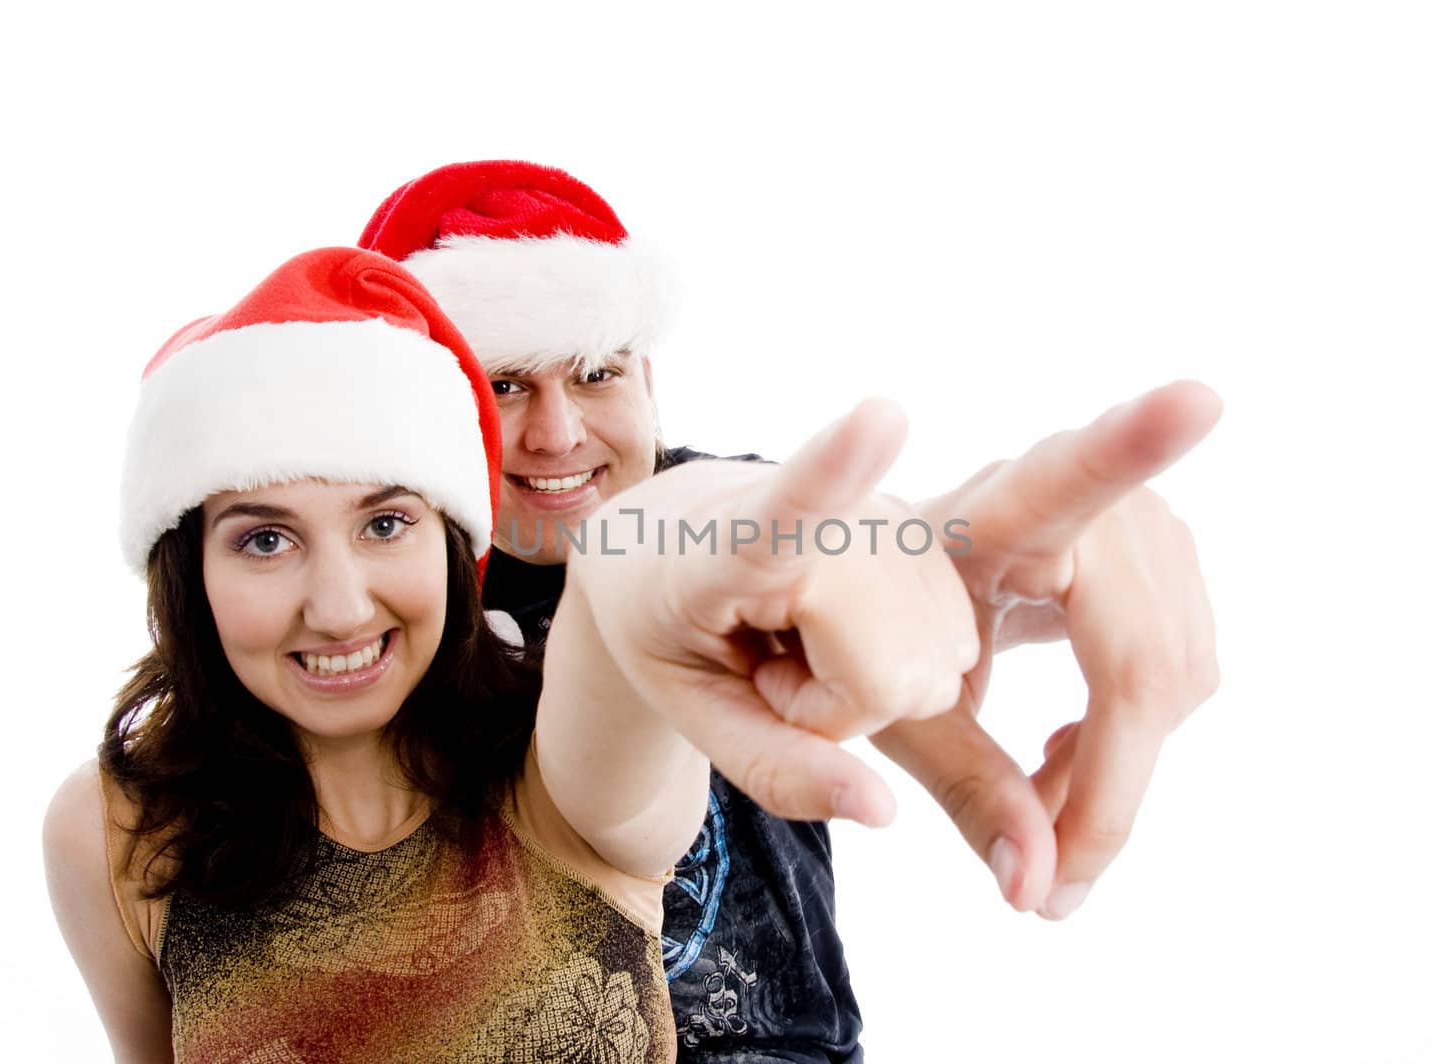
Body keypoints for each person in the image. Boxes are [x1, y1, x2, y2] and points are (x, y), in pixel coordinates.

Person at [359, 161, 1222, 1060]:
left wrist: (941, 553)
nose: (560, 433)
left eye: (594, 374)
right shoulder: (364, 596)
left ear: (648, 380)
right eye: (503, 386)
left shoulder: (732, 515)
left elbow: (786, 534)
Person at [41, 246, 983, 1063]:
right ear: (186, 570)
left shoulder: (552, 756)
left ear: (454, 544)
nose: (337, 607)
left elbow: (632, 588)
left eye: (385, 522)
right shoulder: (114, 829)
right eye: (264, 540)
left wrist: (882, 541)